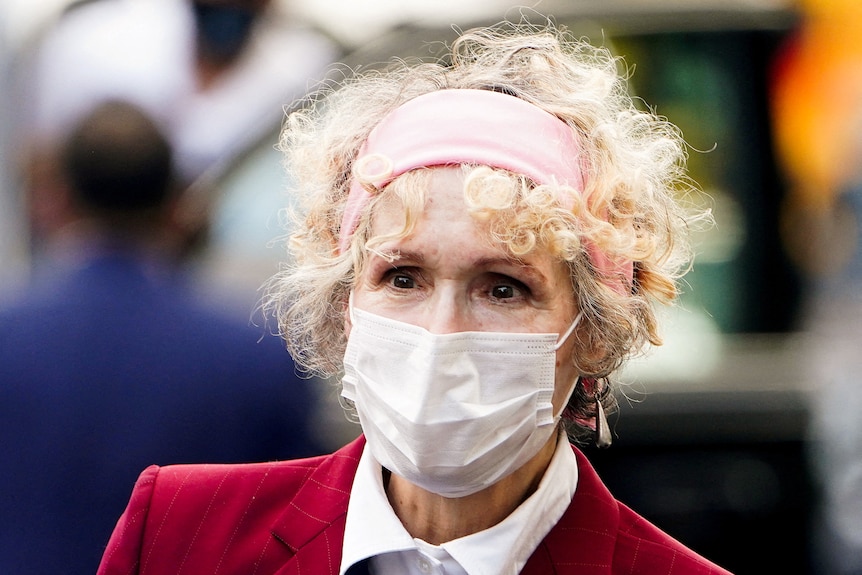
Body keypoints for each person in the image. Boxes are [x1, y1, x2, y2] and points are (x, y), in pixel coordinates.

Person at [97, 20, 732, 575]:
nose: (441, 333)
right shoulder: (181, 535)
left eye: (503, 288)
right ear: (345, 301)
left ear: (592, 330)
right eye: (403, 278)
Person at [0, 100, 323, 575]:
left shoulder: (11, 335)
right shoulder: (254, 356)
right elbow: (300, 529)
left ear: (55, 200)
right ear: (177, 205)